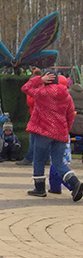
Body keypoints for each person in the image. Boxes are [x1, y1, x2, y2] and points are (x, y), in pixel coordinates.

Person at [22, 70, 82, 199]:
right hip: (60, 132)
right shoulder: (66, 95)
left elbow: (25, 88)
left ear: (46, 79)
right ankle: (75, 183)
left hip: (43, 131)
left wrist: (39, 79)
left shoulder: (42, 93)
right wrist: (66, 129)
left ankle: (39, 188)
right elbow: (71, 114)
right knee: (58, 163)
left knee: (39, 159)